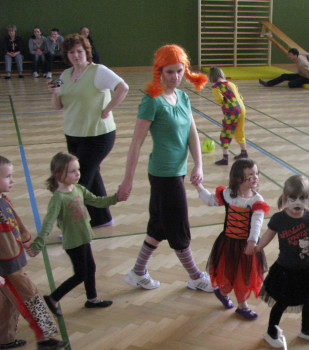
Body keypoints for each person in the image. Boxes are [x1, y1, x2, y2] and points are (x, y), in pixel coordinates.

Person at [120, 44, 213, 294]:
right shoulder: (152, 101)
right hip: (164, 175)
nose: (175, 76)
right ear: (159, 71)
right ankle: (195, 276)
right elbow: (136, 143)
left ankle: (138, 272)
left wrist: (198, 164)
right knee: (178, 228)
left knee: (159, 226)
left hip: (178, 172)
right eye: (170, 72)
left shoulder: (183, 97)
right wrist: (127, 180)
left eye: (179, 71)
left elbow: (192, 134)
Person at [49, 33, 129, 228]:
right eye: (71, 52)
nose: (76, 55)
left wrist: (107, 109)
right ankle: (102, 219)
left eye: (79, 51)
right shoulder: (65, 75)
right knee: (91, 176)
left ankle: (72, 227)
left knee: (77, 180)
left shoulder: (98, 71)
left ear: (86, 52)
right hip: (74, 135)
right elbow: (58, 106)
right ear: (66, 55)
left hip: (98, 136)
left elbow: (123, 88)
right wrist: (55, 93)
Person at [28, 152, 123, 313]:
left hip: (84, 237)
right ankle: (53, 298)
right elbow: (48, 223)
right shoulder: (58, 198)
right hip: (73, 242)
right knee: (81, 274)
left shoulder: (78, 189)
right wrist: (38, 243)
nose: (78, 173)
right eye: (72, 171)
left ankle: (92, 299)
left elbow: (97, 201)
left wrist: (116, 198)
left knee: (90, 268)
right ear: (59, 174)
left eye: (78, 170)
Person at [0, 155, 67, 350]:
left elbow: (15, 222)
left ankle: (4, 338)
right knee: (31, 298)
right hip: (8, 270)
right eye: (7, 176)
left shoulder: (3, 199)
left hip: (13, 263)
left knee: (7, 304)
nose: (12, 180)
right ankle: (45, 338)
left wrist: (26, 239)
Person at [255, 174, 309, 347]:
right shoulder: (279, 219)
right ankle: (271, 333)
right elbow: (267, 236)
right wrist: (257, 247)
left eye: (302, 198)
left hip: (307, 269)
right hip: (285, 270)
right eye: (293, 198)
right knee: (282, 302)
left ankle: (306, 330)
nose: (298, 202)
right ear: (285, 198)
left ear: (308, 198)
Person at [195, 159, 268, 319]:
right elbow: (210, 200)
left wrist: (252, 242)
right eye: (250, 174)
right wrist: (198, 186)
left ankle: (242, 306)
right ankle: (222, 293)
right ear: (238, 178)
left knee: (243, 277)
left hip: (246, 246)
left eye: (256, 173)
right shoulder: (228, 194)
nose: (255, 177)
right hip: (227, 244)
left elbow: (257, 222)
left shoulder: (257, 200)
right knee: (227, 276)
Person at [208, 67, 248, 166]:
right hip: (242, 109)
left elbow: (220, 100)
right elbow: (241, 97)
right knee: (239, 130)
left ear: (211, 77)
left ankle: (225, 158)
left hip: (232, 111)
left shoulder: (216, 87)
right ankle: (244, 152)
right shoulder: (231, 84)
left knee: (226, 133)